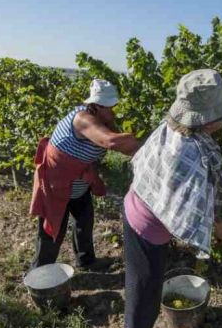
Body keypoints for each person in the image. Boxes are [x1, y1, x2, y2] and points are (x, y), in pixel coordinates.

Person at [122, 69, 222, 328]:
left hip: (136, 202)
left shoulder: (174, 127)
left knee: (147, 279)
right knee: (145, 285)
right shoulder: (195, 153)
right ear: (209, 120)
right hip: (145, 224)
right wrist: (219, 229)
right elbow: (192, 209)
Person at [29, 79, 139, 269]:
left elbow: (123, 147)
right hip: (57, 186)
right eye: (108, 107)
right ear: (94, 106)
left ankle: (86, 262)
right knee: (53, 231)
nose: (113, 111)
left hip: (78, 185)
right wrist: (149, 143)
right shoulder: (83, 119)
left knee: (84, 222)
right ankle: (40, 274)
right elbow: (112, 142)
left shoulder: (101, 119)